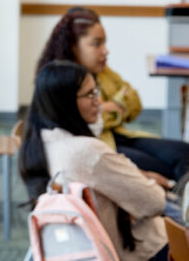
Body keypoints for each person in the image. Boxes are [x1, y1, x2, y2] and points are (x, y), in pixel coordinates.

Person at [19, 60, 169, 261]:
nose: (98, 101)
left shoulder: (39, 143)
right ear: (65, 103)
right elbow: (155, 202)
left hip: (76, 248)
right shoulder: (88, 152)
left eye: (96, 91)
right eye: (90, 95)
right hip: (133, 251)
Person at [36, 7, 189, 182]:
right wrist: (115, 107)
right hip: (97, 147)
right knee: (167, 167)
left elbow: (134, 102)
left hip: (118, 135)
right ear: (73, 46)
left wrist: (106, 109)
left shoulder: (102, 71)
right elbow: (79, 121)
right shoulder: (58, 81)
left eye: (104, 43)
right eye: (96, 43)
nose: (105, 50)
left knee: (184, 152)